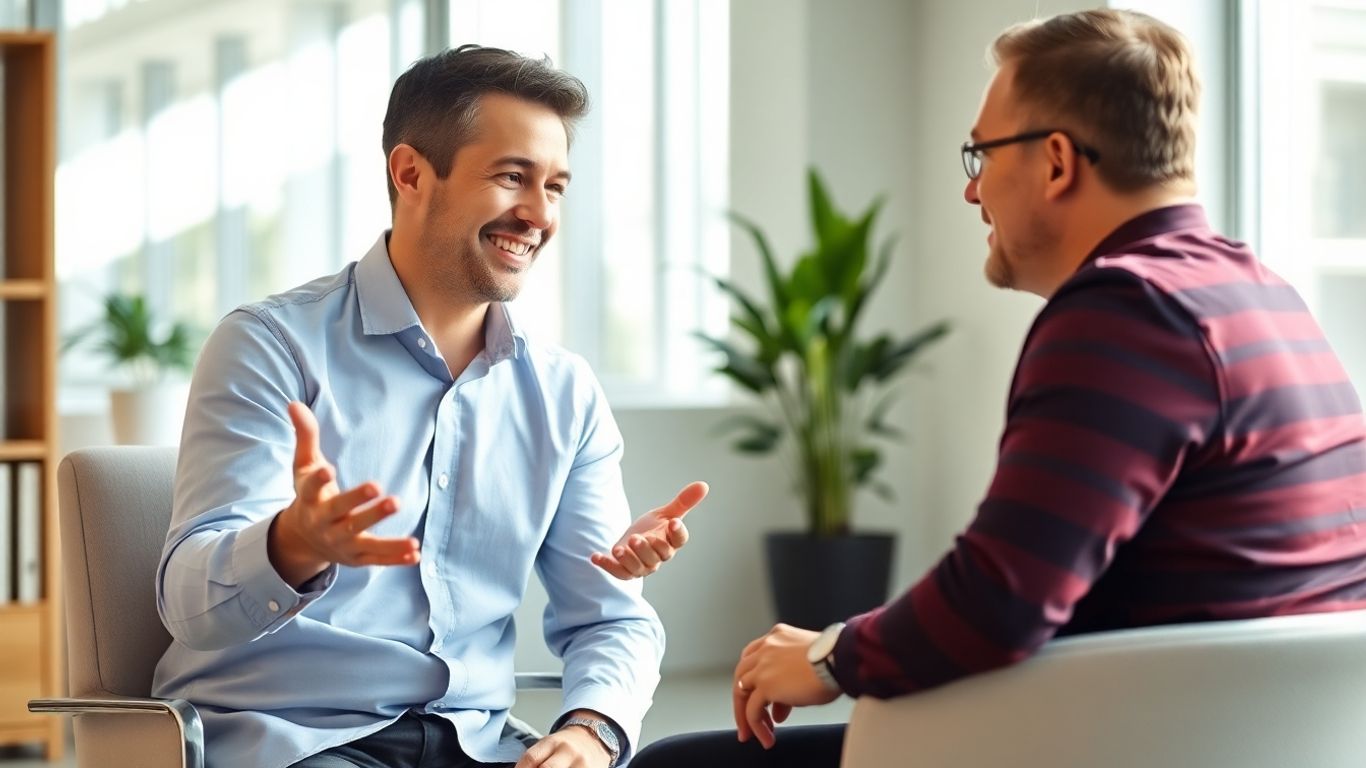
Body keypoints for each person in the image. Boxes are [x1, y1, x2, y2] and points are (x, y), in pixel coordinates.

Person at [632, 9, 1366, 767]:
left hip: (1127, 742)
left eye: (980, 154)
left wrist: (829, 656)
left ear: (1056, 162)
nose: (971, 190)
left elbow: (1001, 600)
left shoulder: (1126, 309)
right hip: (1249, 740)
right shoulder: (1263, 295)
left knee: (673, 764)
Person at [154, 44, 707, 768]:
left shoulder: (563, 394)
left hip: (477, 744)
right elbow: (188, 606)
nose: (539, 214)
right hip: (297, 740)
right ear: (411, 173)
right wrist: (293, 543)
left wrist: (590, 731)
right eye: (512, 178)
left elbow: (612, 619)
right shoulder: (271, 346)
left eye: (556, 187)